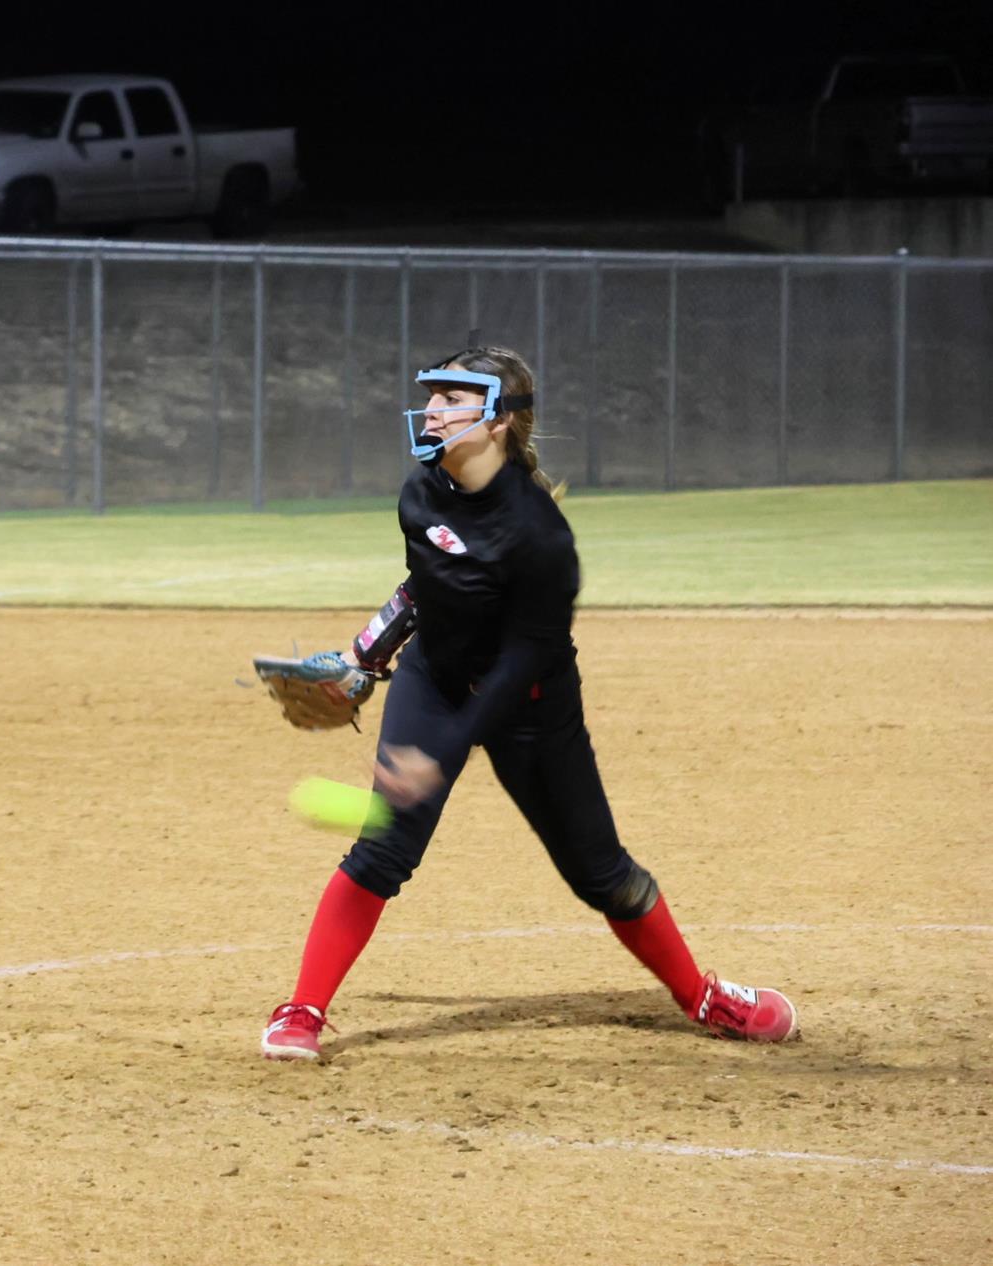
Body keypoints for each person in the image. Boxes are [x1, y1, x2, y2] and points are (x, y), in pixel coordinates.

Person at [260, 345, 796, 1061]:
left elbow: (520, 662)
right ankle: (302, 1010)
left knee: (603, 875)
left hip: (531, 703)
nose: (433, 409)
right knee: (385, 846)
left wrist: (442, 754)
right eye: (434, 396)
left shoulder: (540, 535)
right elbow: (427, 585)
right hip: (436, 679)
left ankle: (703, 996)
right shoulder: (421, 492)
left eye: (453, 399)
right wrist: (366, 654)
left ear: (499, 420)